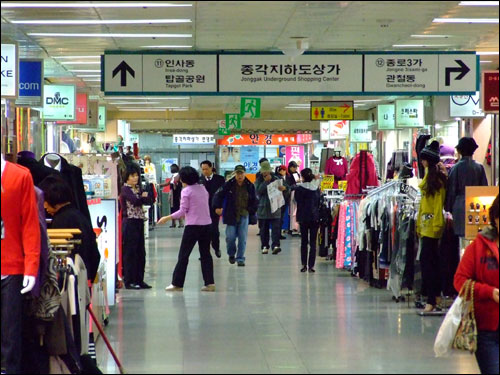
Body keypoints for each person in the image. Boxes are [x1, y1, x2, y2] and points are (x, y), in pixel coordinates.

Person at [454, 194, 499, 375]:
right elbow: (459, 281)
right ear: (495, 219)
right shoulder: (479, 246)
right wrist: (488, 292)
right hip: (487, 329)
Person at [158, 167, 215, 292]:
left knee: (183, 255)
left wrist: (167, 217)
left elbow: (183, 211)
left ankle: (177, 284)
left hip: (193, 226)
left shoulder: (186, 191)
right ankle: (210, 283)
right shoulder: (203, 189)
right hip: (206, 225)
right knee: (206, 254)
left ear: (183, 179)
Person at [39, 175, 101, 282]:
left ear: (53, 198)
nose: (44, 206)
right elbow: (95, 255)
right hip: (84, 279)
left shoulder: (61, 221)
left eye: (45, 200)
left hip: (70, 281)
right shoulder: (79, 216)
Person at [417, 141, 448, 313]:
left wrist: (436, 225)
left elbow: (437, 206)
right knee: (428, 262)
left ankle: (432, 299)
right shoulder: (429, 177)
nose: (422, 162)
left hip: (432, 228)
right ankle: (432, 297)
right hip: (425, 226)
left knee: (429, 263)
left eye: (423, 160)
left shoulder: (437, 181)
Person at [213, 165, 258, 267]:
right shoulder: (228, 184)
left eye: (241, 173)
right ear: (235, 174)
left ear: (244, 173)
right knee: (230, 237)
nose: (240, 175)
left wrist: (251, 210)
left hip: (244, 214)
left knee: (242, 238)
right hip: (231, 214)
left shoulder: (250, 185)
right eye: (238, 173)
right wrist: (217, 206)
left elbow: (255, 200)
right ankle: (231, 254)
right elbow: (218, 195)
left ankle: (240, 258)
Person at [446, 137, 488, 238]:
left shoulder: (455, 168)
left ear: (460, 151)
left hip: (459, 206)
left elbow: (451, 191)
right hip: (476, 206)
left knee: (460, 238)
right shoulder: (479, 167)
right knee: (475, 236)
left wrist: (448, 208)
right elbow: (484, 189)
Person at [120, 164, 153, 290]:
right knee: (130, 252)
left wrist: (143, 198)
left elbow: (149, 200)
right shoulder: (125, 189)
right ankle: (129, 280)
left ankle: (140, 279)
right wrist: (142, 198)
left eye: (136, 176)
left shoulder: (138, 188)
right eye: (132, 176)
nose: (135, 178)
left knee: (141, 253)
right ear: (127, 177)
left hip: (139, 221)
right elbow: (135, 201)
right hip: (129, 222)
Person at [255, 161, 287, 255]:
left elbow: (287, 188)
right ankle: (264, 246)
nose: (265, 173)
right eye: (263, 171)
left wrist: (284, 189)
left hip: (275, 207)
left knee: (276, 228)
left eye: (266, 171)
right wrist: (266, 182)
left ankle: (276, 245)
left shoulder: (277, 178)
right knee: (263, 229)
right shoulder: (259, 179)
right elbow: (258, 191)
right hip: (263, 208)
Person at [294, 168, 321, 273]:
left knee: (304, 241)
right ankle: (312, 266)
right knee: (313, 242)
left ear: (303, 177)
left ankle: (304, 265)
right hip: (315, 217)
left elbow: (296, 201)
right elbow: (318, 202)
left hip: (303, 218)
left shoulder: (299, 189)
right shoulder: (316, 189)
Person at [199, 160, 226, 258]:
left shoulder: (220, 179)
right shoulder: (199, 180)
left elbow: (223, 194)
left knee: (214, 230)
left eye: (206, 169)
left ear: (211, 168)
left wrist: (221, 207)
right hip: (202, 210)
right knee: (202, 232)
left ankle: (216, 247)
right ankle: (204, 252)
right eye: (203, 169)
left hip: (215, 209)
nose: (205, 171)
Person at [275, 165, 290, 239]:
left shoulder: (277, 178)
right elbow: (286, 187)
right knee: (280, 218)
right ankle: (278, 234)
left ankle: (277, 233)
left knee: (279, 218)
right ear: (280, 171)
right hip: (282, 200)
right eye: (284, 171)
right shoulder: (279, 178)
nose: (285, 172)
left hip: (279, 200)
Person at [169, 164, 184, 228]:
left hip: (177, 194)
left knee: (177, 208)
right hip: (173, 193)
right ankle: (173, 223)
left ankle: (181, 223)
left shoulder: (178, 176)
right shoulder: (173, 176)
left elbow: (178, 185)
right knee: (172, 208)